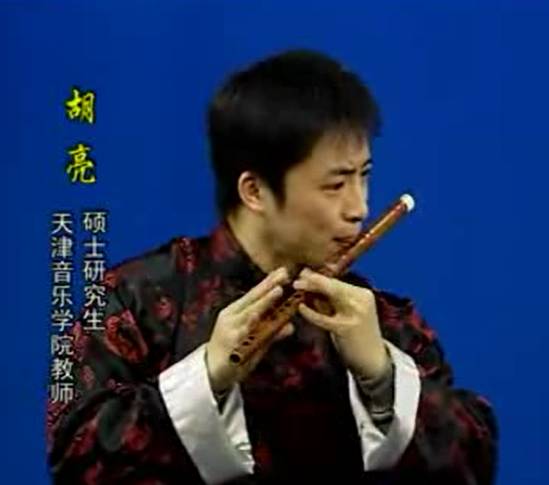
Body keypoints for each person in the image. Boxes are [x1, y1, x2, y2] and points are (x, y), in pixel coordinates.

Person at [47, 49, 498, 484]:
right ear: (255, 191)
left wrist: (382, 377)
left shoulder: (380, 319)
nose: (359, 208)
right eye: (336, 184)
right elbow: (74, 458)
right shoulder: (136, 300)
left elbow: (474, 461)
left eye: (364, 176)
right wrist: (207, 377)